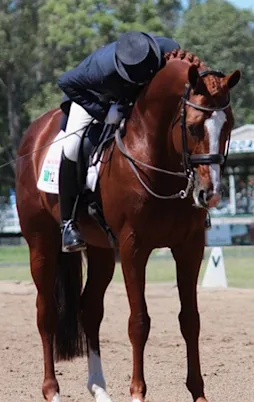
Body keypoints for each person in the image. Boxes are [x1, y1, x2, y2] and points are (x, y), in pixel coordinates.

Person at [56, 31, 180, 252]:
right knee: (72, 147)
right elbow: (65, 82)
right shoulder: (99, 69)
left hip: (134, 99)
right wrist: (104, 112)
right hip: (93, 97)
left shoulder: (169, 49)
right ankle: (68, 223)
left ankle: (191, 207)